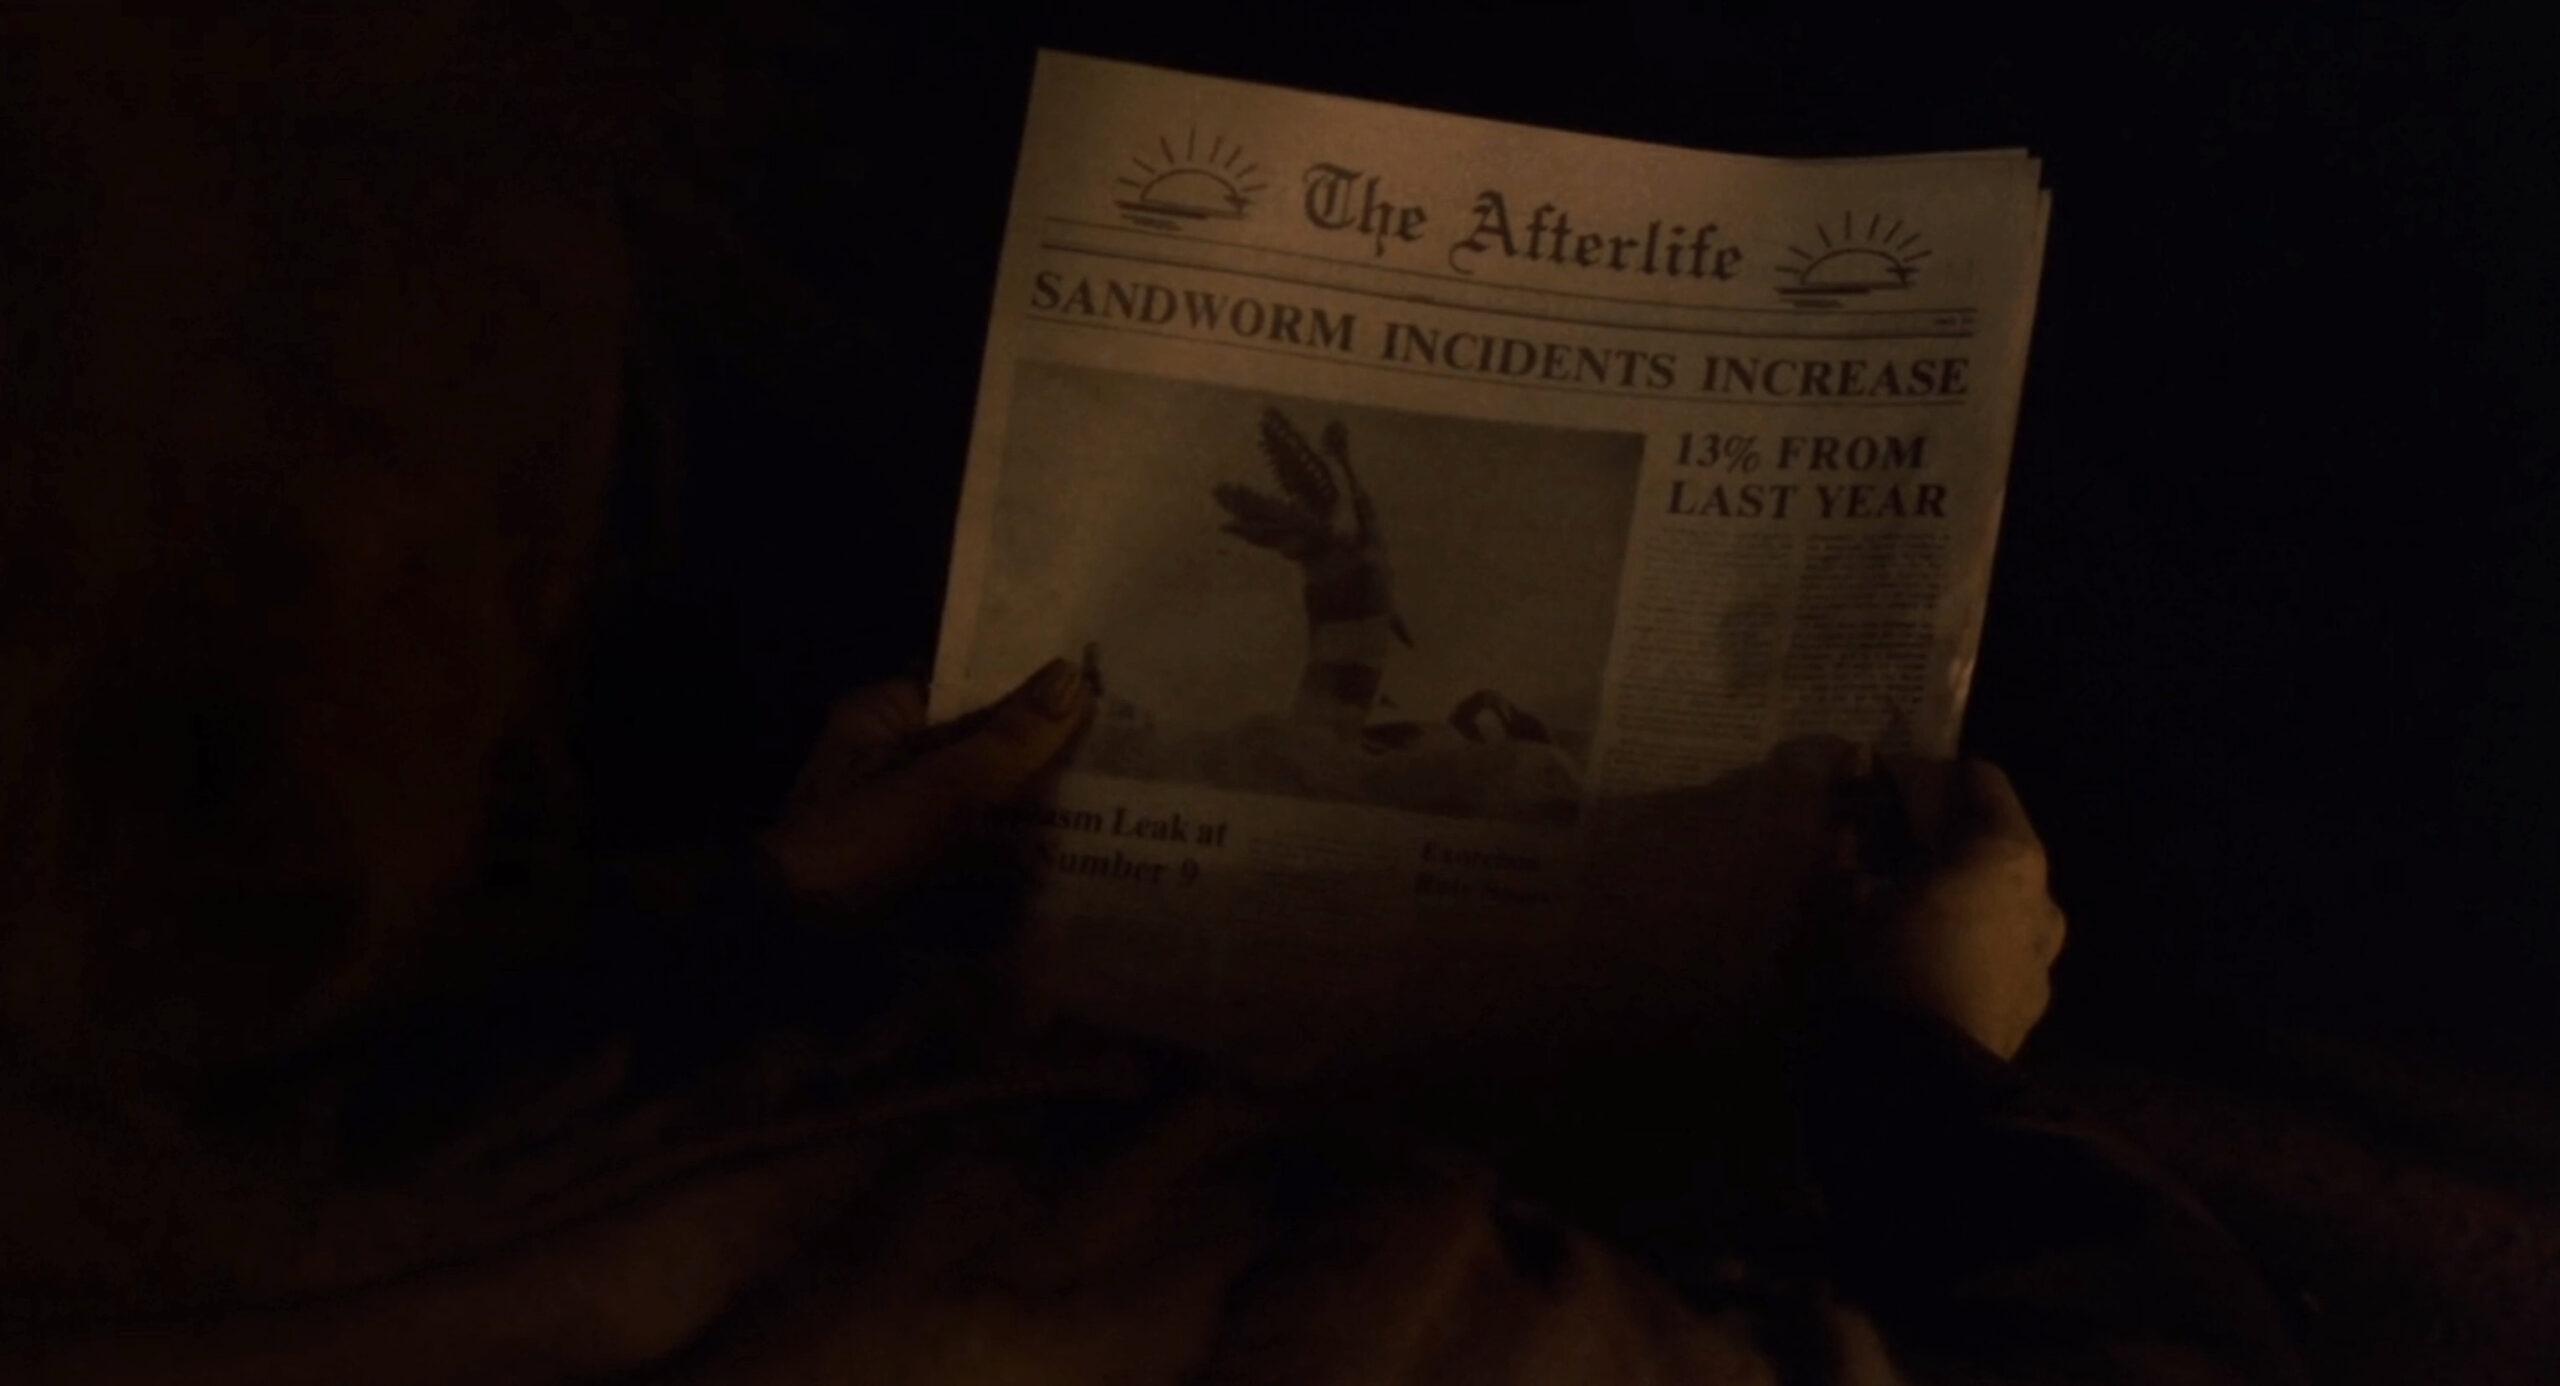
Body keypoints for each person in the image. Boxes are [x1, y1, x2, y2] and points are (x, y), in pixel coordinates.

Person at [6, 659, 2301, 1383]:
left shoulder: (142, 1196)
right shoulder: (1068, 1245)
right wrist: (1924, 1079)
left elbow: (371, 1148)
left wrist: (752, 924)